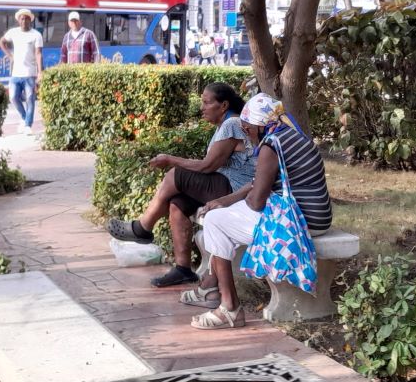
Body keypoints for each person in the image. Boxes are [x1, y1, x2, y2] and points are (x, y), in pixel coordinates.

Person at [182, 93, 333, 329]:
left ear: (259, 125)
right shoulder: (291, 136)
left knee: (214, 221)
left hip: (300, 223)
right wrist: (226, 200)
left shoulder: (271, 146)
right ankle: (213, 286)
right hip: (318, 216)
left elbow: (256, 202)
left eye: (247, 127)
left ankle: (228, 307)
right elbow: (257, 183)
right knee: (220, 216)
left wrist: (229, 206)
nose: (245, 132)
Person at [107, 83, 255, 287]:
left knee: (175, 175)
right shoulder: (225, 125)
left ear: (223, 105)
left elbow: (207, 166)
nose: (202, 107)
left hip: (236, 190)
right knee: (178, 203)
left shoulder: (232, 124)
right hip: (225, 184)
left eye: (206, 102)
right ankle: (183, 269)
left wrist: (170, 159)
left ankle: (143, 227)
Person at [0, 8, 43, 135]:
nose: (24, 20)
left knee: (30, 98)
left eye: (26, 18)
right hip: (16, 73)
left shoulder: (36, 35)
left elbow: (38, 54)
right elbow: (1, 41)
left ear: (30, 20)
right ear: (18, 20)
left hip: (30, 73)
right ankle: (24, 117)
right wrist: (10, 55)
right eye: (22, 18)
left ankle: (28, 125)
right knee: (13, 97)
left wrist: (40, 72)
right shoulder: (13, 32)